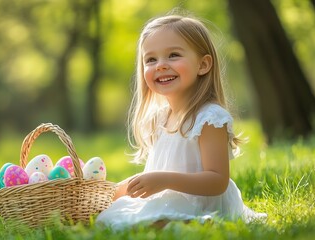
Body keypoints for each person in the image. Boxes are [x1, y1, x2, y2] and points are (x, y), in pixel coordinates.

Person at [96, 13, 266, 230]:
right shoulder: (159, 118)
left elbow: (217, 181)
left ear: (203, 65)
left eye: (173, 55)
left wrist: (164, 180)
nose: (160, 65)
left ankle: (199, 223)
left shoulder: (209, 117)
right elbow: (153, 177)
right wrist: (113, 191)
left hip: (203, 203)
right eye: (151, 59)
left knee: (142, 222)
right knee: (110, 217)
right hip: (167, 199)